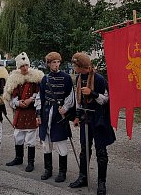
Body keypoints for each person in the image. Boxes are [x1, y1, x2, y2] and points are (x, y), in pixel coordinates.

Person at [69, 52, 116, 195]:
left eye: (75, 65)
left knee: (101, 152)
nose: (73, 67)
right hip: (86, 118)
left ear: (82, 66)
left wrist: (92, 93)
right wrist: (77, 116)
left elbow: (106, 99)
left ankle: (102, 182)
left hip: (99, 119)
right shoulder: (78, 78)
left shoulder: (99, 79)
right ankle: (83, 177)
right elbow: (78, 100)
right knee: (84, 149)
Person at [35, 52, 74, 183]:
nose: (56, 65)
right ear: (49, 64)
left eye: (58, 62)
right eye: (53, 62)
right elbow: (40, 97)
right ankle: (48, 169)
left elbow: (70, 96)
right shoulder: (45, 79)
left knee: (61, 142)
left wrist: (66, 108)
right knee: (46, 143)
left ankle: (62, 172)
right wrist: (38, 114)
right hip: (46, 113)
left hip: (59, 114)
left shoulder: (66, 77)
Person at [3, 52, 44, 172]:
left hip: (31, 111)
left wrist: (30, 100)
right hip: (20, 112)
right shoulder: (14, 80)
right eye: (22, 66)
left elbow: (39, 93)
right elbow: (11, 96)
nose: (24, 68)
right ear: (18, 67)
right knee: (18, 136)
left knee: (30, 139)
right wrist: (17, 103)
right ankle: (18, 158)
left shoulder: (36, 78)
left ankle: (31, 162)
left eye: (26, 65)